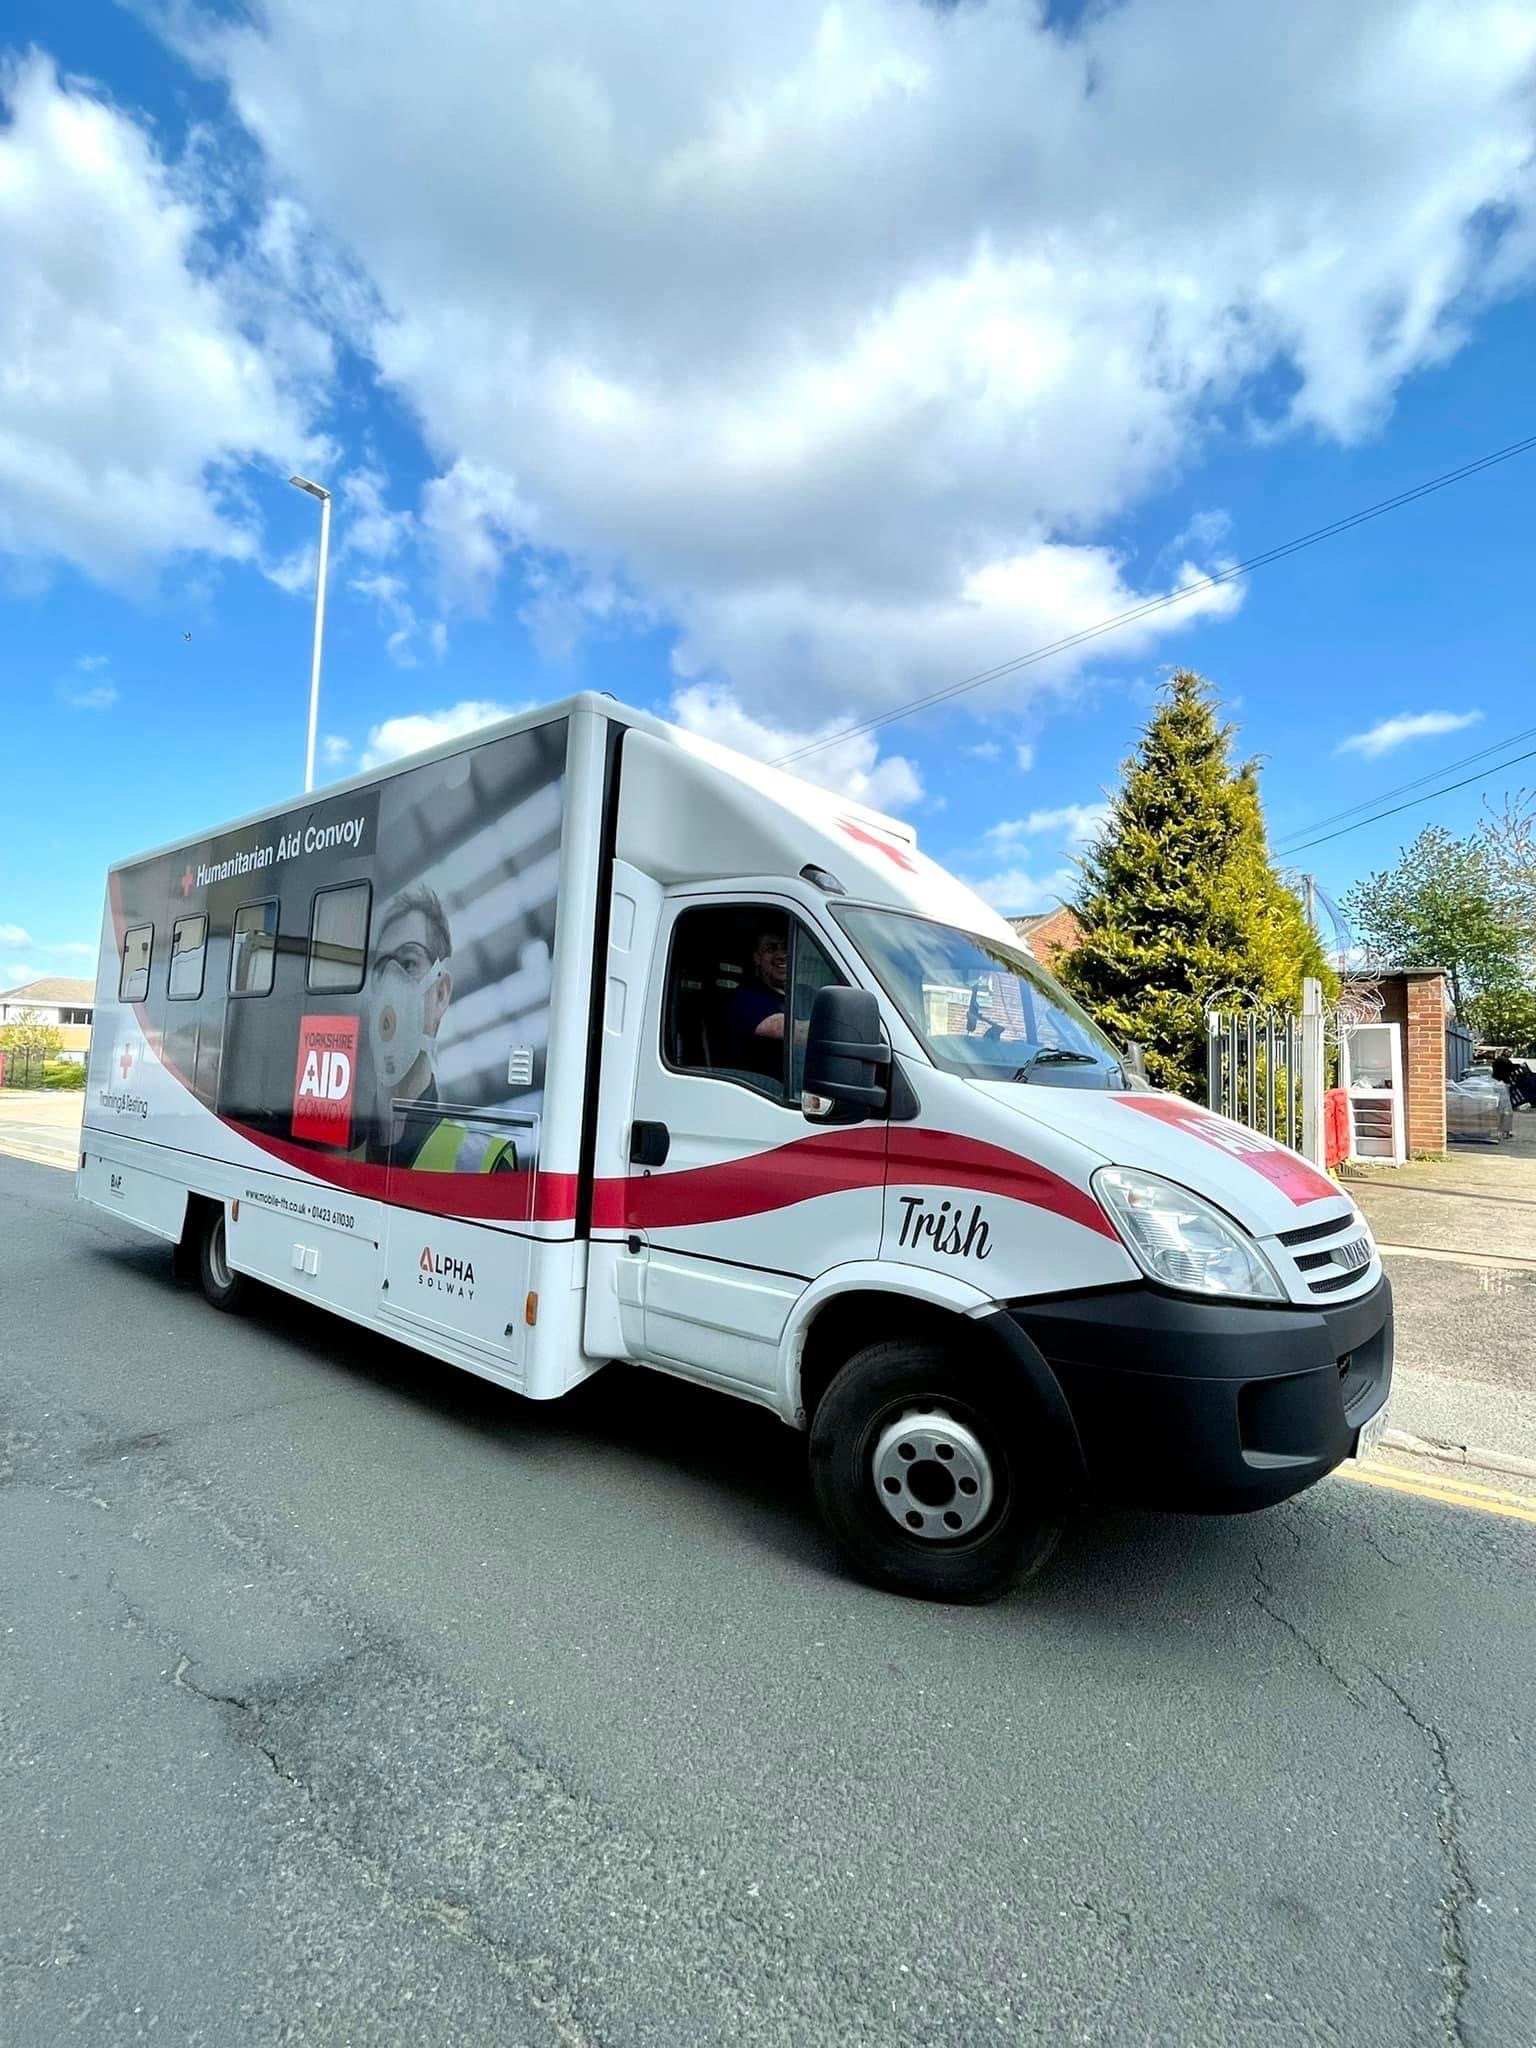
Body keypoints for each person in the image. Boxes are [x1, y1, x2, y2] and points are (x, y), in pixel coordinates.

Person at [361, 882, 518, 1171]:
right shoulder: (341, 1149)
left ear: (441, 992)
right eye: (382, 969)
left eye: (408, 963)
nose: (390, 987)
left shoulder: (481, 1166)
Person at [724, 924, 790, 1080]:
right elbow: (783, 1028)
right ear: (757, 958)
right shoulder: (747, 997)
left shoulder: (804, 992)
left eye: (786, 947)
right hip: (765, 1091)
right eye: (770, 949)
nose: (781, 955)